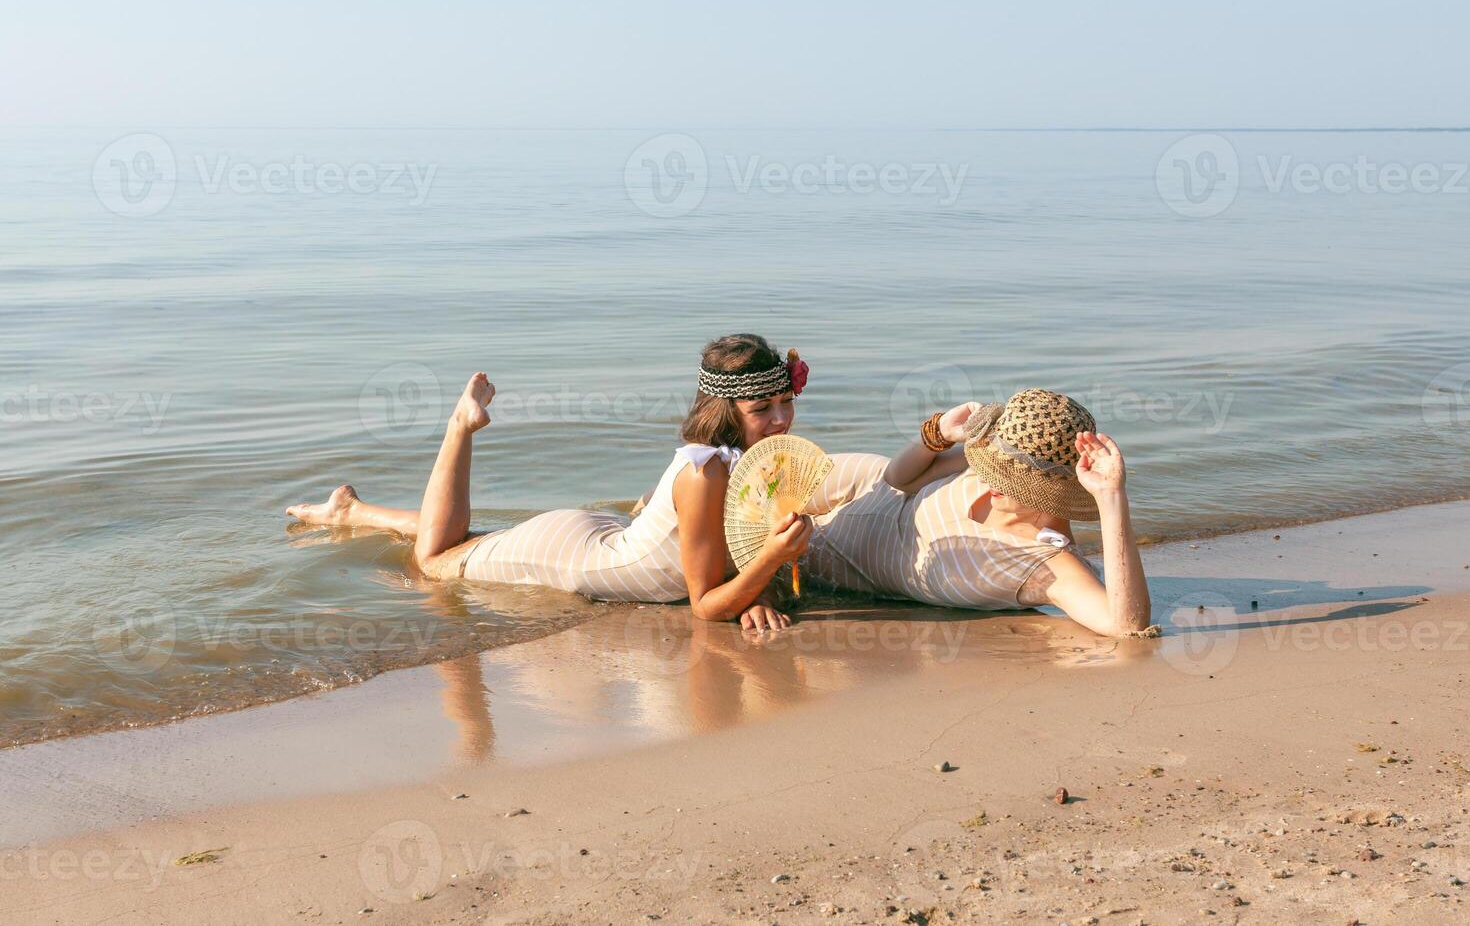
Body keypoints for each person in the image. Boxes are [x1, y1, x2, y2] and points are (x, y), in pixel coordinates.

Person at [286, 334, 812, 631]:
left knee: (467, 543)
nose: (781, 419)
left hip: (606, 537)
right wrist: (763, 572)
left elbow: (725, 554)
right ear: (725, 409)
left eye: (785, 402)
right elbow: (702, 606)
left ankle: (348, 513)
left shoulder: (751, 457)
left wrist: (756, 590)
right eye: (762, 408)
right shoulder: (706, 472)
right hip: (571, 556)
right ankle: (460, 426)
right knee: (434, 563)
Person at [800, 389, 1151, 637]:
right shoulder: (990, 459)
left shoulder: (1048, 565)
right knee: (753, 480)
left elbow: (1127, 625)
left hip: (851, 564)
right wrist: (936, 433)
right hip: (862, 483)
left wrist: (1111, 498)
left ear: (1052, 490)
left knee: (761, 556)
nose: (990, 476)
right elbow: (898, 480)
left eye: (1009, 476)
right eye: (994, 465)